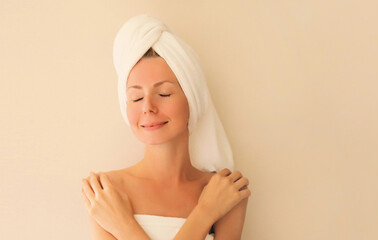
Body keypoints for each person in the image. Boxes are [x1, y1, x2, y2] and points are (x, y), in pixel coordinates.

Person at [80, 15, 251, 240]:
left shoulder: (225, 192)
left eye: (164, 94)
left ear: (192, 99)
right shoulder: (106, 191)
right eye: (136, 97)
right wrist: (205, 214)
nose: (148, 108)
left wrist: (124, 226)